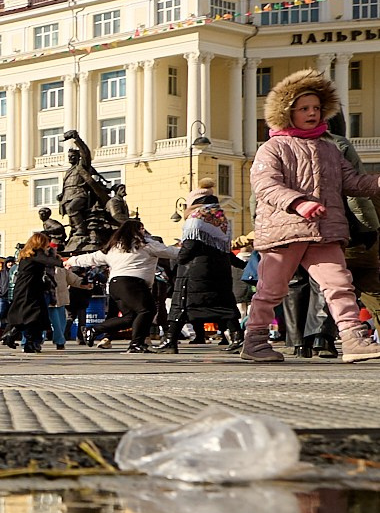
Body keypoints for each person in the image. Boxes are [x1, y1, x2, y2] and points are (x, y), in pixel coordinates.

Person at [244, 69, 380, 362]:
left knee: (340, 284)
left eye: (317, 108)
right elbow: (265, 185)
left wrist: (378, 182)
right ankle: (254, 341)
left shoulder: (330, 149)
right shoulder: (273, 147)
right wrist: (299, 203)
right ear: (287, 112)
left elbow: (354, 182)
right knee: (271, 289)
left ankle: (353, 340)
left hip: (325, 231)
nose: (312, 113)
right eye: (304, 108)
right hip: (285, 230)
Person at [172, 191, 243, 348]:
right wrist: (243, 265)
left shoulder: (196, 218)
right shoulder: (221, 221)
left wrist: (179, 259)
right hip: (221, 272)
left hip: (197, 272)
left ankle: (170, 342)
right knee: (224, 305)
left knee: (181, 306)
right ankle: (238, 337)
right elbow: (226, 251)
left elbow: (189, 246)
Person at [89, 217, 170, 352]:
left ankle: (94, 329)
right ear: (136, 230)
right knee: (147, 310)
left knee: (130, 317)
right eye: (141, 228)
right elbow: (170, 252)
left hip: (115, 285)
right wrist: (190, 251)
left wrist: (70, 261)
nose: (144, 231)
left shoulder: (114, 247)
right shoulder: (146, 244)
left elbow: (93, 257)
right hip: (132, 284)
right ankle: (136, 344)